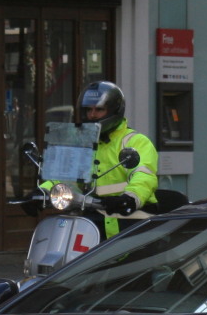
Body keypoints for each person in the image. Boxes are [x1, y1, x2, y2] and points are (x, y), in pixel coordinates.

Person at [38, 81, 160, 237]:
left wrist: (130, 197)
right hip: (92, 221)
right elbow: (66, 177)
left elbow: (144, 176)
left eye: (99, 109)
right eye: (88, 110)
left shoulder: (135, 141)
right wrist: (44, 190)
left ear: (114, 110)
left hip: (131, 223)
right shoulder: (82, 141)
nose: (92, 115)